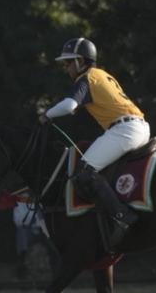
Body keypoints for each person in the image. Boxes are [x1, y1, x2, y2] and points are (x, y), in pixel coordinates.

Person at [39, 37, 149, 251]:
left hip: (124, 130)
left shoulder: (86, 78)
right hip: (139, 127)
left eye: (68, 62)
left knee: (85, 171)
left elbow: (69, 106)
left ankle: (121, 216)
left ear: (81, 61)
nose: (66, 67)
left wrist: (46, 115)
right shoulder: (103, 75)